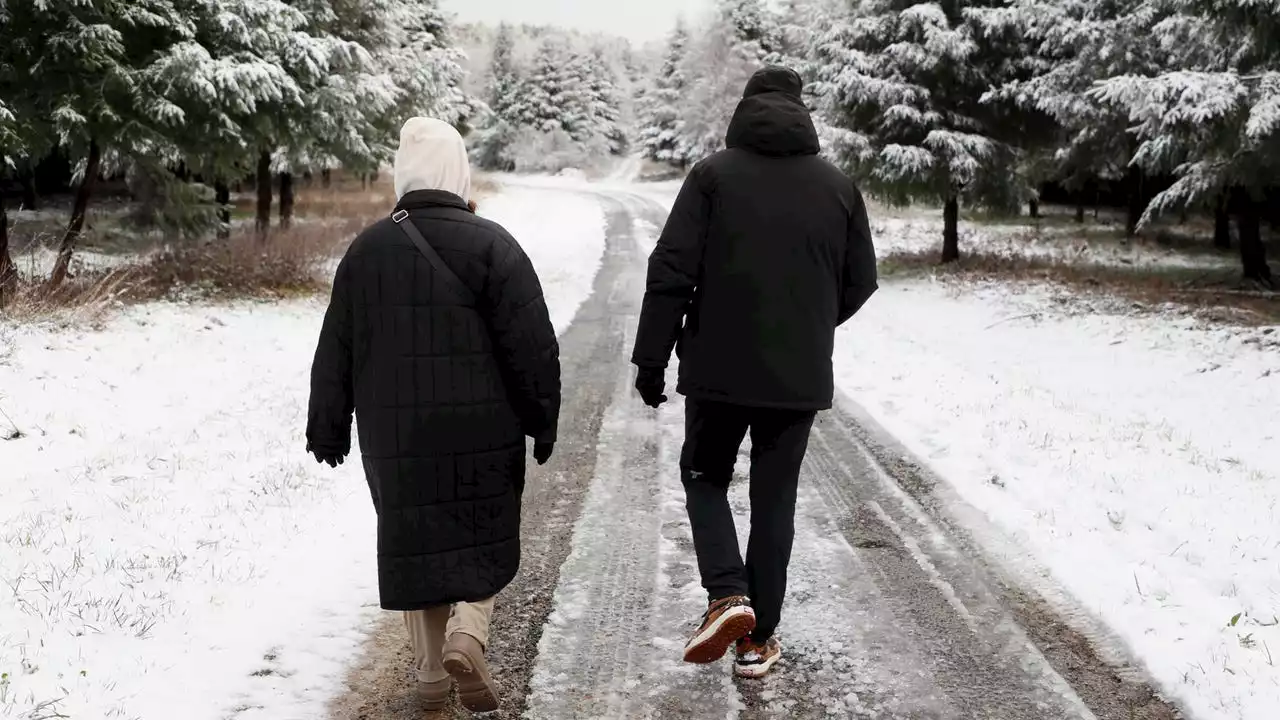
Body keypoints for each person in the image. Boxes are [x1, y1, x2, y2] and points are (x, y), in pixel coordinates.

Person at [631, 66, 878, 679]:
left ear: (743, 111)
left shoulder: (712, 176)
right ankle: (757, 640)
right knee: (775, 500)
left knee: (704, 474)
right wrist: (809, 327)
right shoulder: (840, 187)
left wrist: (651, 357)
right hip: (797, 379)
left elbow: (670, 270)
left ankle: (726, 594)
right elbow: (861, 280)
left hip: (716, 369)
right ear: (802, 112)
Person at [307, 117, 561, 712]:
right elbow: (533, 347)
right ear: (459, 173)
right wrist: (541, 418)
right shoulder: (494, 245)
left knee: (418, 539)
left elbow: (336, 345)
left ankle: (427, 676)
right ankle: (468, 635)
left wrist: (327, 422)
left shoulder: (367, 250)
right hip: (482, 426)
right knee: (482, 532)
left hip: (395, 433)